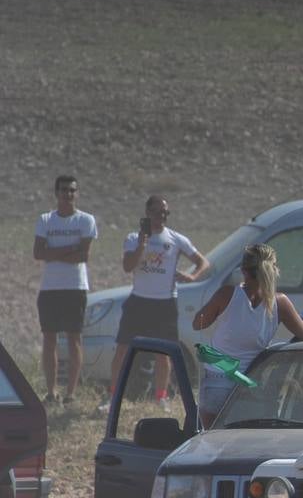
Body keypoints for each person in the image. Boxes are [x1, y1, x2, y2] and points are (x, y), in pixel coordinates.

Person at [192, 243, 303, 427]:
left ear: (244, 271)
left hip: (217, 381)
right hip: (250, 385)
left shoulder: (227, 294)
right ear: (273, 270)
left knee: (213, 442)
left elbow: (198, 323)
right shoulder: (279, 303)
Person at [103, 195, 209, 413]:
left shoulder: (176, 239)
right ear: (147, 213)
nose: (161, 217)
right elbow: (128, 266)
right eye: (157, 212)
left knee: (164, 353)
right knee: (123, 349)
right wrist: (142, 244)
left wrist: (192, 276)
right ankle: (113, 395)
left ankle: (161, 396)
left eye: (165, 213)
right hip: (139, 301)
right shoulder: (133, 238)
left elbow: (203, 262)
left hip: (165, 303)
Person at [32, 175, 97, 405]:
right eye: (63, 190)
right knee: (49, 339)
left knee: (73, 339)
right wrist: (70, 248)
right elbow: (39, 253)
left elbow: (83, 255)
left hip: (74, 287)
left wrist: (55, 251)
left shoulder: (86, 220)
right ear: (56, 193)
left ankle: (70, 393)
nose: (67, 194)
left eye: (72, 190)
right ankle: (51, 391)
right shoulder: (45, 220)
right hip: (50, 288)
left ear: (76, 193)